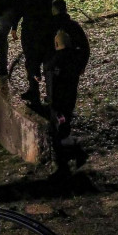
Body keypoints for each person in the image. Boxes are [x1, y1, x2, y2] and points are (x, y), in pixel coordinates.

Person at [44, 29, 87, 177]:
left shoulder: (53, 63)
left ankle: (66, 163)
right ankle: (72, 159)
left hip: (58, 103)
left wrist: (52, 103)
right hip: (70, 99)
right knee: (64, 126)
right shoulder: (75, 58)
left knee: (58, 132)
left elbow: (52, 86)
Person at [14, 0, 57, 103]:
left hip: (44, 30)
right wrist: (14, 26)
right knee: (31, 62)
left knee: (47, 62)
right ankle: (34, 90)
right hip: (29, 29)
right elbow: (18, 7)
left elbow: (52, 6)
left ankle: (51, 94)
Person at [52, 0, 90, 74]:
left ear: (53, 10)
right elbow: (85, 47)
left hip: (55, 68)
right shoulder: (74, 26)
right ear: (66, 10)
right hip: (73, 66)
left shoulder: (50, 27)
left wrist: (35, 69)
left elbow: (41, 48)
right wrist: (82, 65)